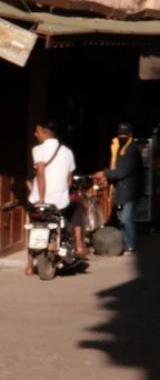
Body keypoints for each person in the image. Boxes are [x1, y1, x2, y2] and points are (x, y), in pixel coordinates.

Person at [25, 118, 84, 276]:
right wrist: (62, 191)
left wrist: (42, 197)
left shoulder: (38, 150)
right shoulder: (67, 152)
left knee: (34, 224)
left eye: (37, 131)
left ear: (44, 132)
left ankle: (30, 265)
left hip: (38, 198)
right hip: (60, 200)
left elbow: (40, 173)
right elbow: (69, 178)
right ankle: (78, 244)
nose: (35, 134)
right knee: (77, 207)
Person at [95, 122, 144, 255]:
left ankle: (130, 246)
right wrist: (108, 178)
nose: (122, 137)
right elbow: (117, 170)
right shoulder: (118, 149)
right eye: (120, 134)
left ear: (130, 135)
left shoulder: (131, 150)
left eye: (125, 134)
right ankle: (125, 243)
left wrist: (105, 173)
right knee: (122, 219)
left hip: (131, 191)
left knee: (126, 219)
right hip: (122, 190)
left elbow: (122, 172)